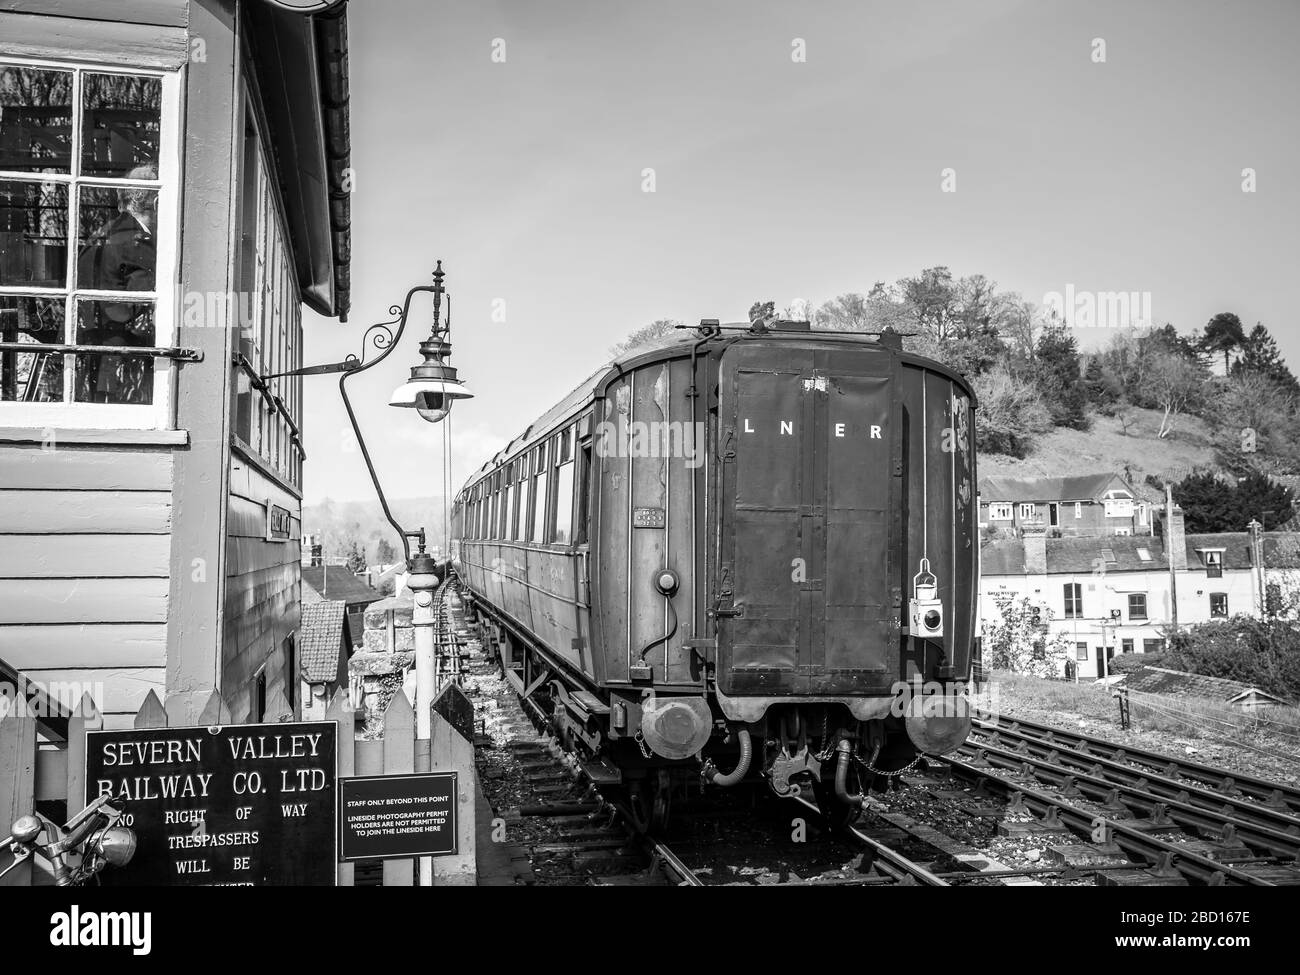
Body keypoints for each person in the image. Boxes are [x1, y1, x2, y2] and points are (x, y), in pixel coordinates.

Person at [76, 163, 157, 403]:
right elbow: (137, 310)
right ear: (155, 203)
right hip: (124, 363)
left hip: (94, 353)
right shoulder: (135, 244)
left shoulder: (105, 233)